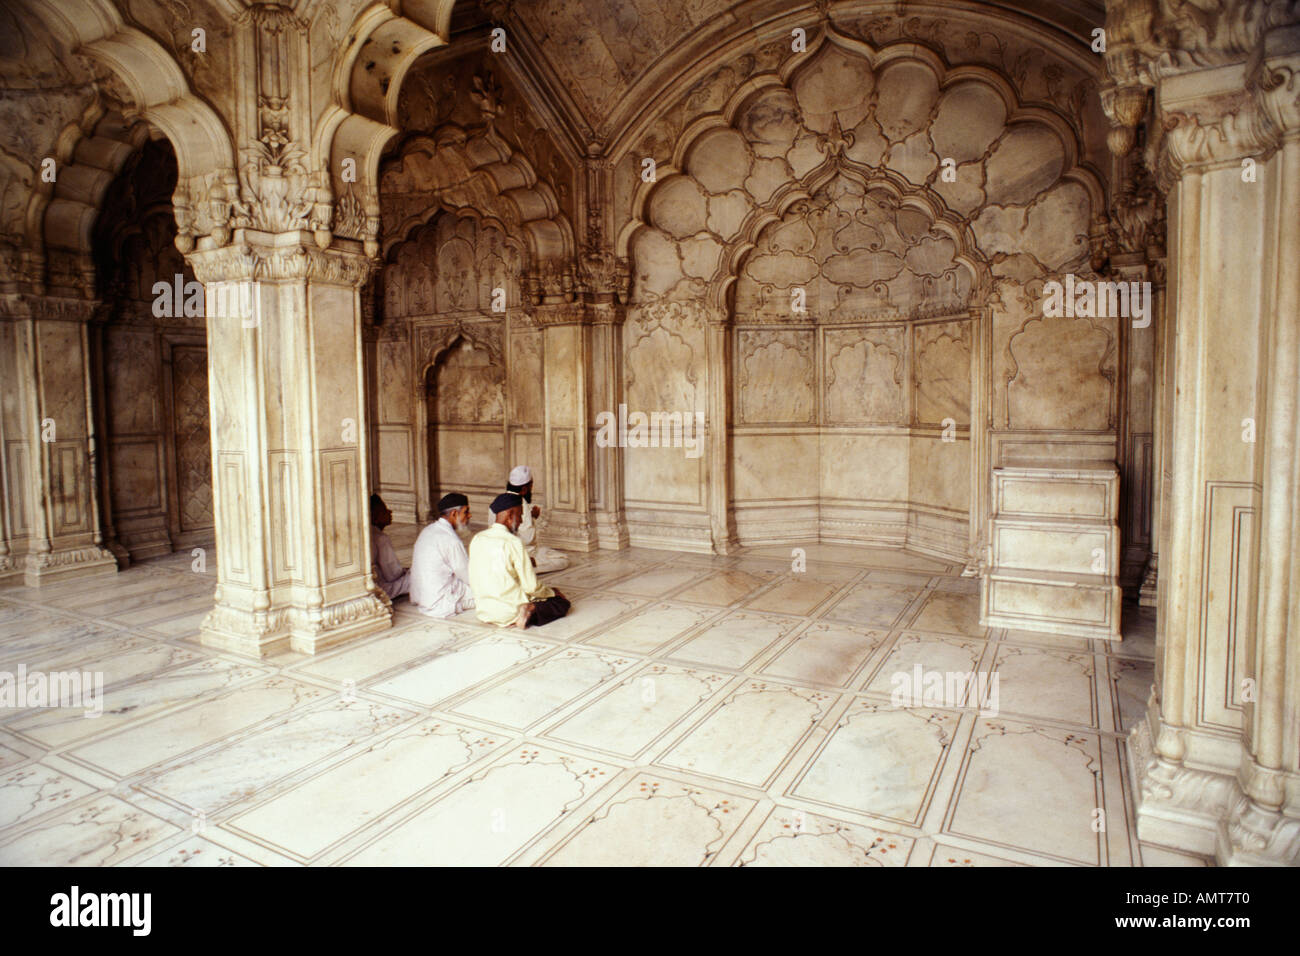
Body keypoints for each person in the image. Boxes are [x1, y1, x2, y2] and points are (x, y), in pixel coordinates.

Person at [468, 492, 570, 628]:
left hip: (484, 611)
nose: (522, 521)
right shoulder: (513, 542)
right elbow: (531, 587)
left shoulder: (478, 538)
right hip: (510, 611)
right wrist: (552, 592)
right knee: (560, 603)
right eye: (520, 515)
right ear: (510, 515)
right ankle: (530, 610)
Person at [409, 493, 476, 619]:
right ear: (454, 514)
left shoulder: (428, 530)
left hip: (421, 597)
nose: (469, 516)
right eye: (466, 512)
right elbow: (468, 576)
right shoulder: (451, 540)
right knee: (489, 590)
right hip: (439, 604)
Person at [506, 464, 569, 573]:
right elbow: (527, 539)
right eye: (531, 486)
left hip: (504, 553)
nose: (532, 489)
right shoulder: (521, 504)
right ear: (525, 489)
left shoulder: (499, 501)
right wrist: (532, 518)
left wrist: (530, 516)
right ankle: (524, 566)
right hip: (524, 554)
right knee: (563, 560)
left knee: (548, 552)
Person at [369, 493, 410, 600]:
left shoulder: (368, 533)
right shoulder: (380, 538)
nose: (390, 512)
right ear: (375, 517)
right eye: (385, 510)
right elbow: (393, 574)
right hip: (382, 590)